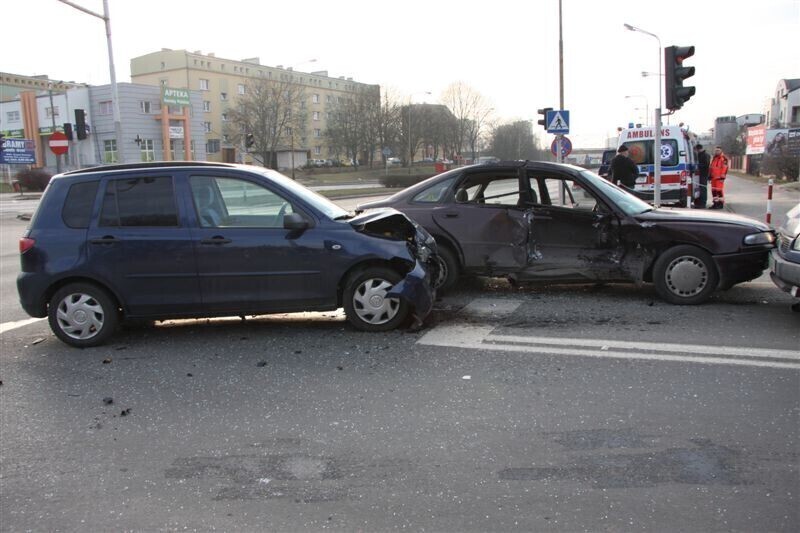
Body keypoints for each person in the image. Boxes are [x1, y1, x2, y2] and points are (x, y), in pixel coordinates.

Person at [693, 144, 711, 208]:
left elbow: (706, 165)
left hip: (703, 174)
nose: (696, 151)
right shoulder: (700, 155)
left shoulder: (705, 155)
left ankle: (703, 203)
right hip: (699, 174)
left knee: (703, 189)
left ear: (698, 149)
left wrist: (698, 165)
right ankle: (698, 202)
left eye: (696, 150)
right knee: (699, 188)